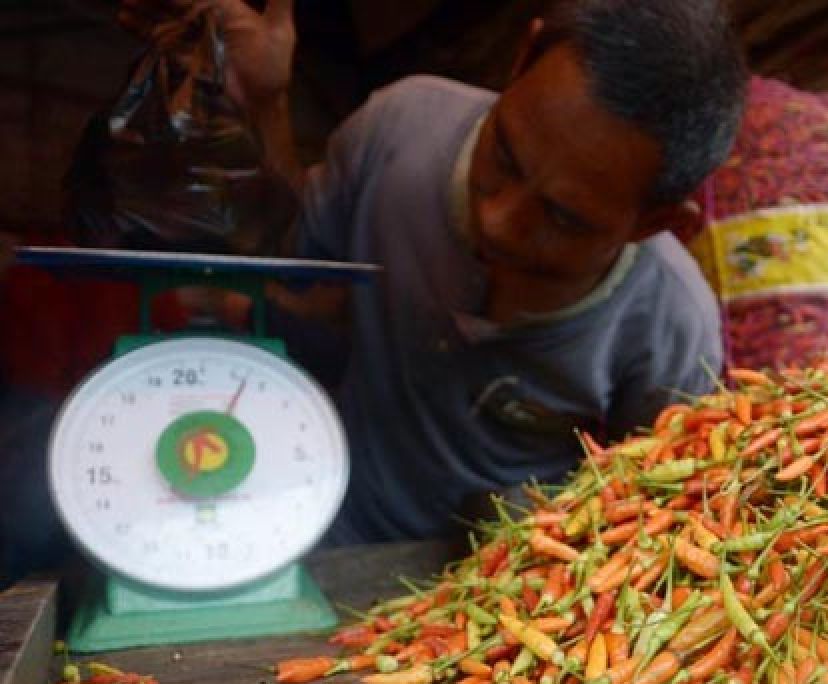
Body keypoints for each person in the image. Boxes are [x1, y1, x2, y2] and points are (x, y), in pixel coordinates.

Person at [119, 0, 747, 544]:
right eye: (502, 154)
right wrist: (266, 105)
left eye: (561, 217)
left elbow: (666, 510)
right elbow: (294, 264)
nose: (497, 220)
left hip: (501, 613)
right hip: (311, 533)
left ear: (659, 223)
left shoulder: (670, 324)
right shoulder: (396, 130)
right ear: (521, 60)